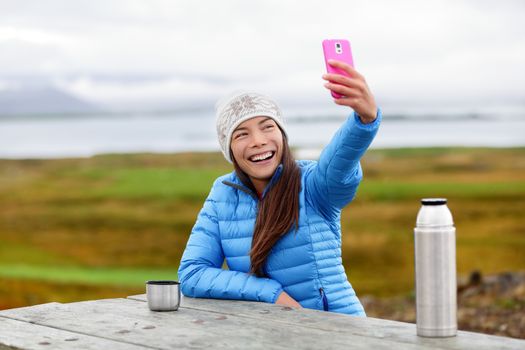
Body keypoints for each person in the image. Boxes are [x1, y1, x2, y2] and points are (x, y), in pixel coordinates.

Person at [178, 59, 381, 315]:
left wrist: (364, 120)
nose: (258, 141)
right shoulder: (223, 193)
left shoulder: (312, 183)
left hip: (337, 329)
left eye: (267, 127)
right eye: (242, 134)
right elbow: (192, 273)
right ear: (229, 148)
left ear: (282, 135)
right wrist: (270, 293)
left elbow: (338, 163)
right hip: (268, 334)